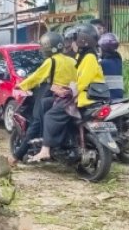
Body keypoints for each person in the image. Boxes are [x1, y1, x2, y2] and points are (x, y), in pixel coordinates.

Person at [31, 24, 104, 162]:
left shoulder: (89, 58)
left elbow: (83, 81)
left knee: (50, 116)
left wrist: (69, 92)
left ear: (82, 41)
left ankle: (45, 150)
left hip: (84, 97)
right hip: (83, 95)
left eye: (74, 40)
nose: (71, 44)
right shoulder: (83, 56)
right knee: (47, 103)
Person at [8, 32, 77, 166]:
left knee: (36, 123)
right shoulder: (72, 60)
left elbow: (37, 77)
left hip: (53, 96)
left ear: (47, 48)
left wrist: (21, 85)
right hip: (72, 96)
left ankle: (17, 156)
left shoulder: (51, 61)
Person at [98, 33, 124, 101]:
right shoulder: (118, 61)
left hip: (108, 99)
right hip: (119, 98)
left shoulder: (101, 63)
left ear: (103, 49)